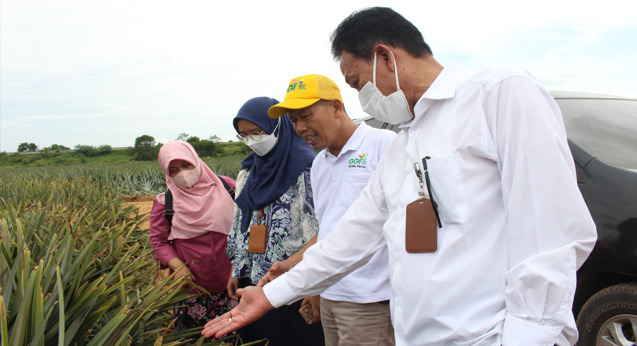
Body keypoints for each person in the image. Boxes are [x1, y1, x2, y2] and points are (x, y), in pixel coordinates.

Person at [203, 7, 597, 345]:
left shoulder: (498, 95)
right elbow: (351, 237)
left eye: (358, 83)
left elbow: (552, 235)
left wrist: (528, 336)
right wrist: (273, 295)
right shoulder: (404, 142)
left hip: (489, 336)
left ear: (385, 58)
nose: (362, 98)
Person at [261, 73, 397, 345]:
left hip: (370, 299)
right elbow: (328, 233)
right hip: (332, 295)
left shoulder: (384, 145)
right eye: (294, 120)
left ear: (336, 107)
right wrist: (297, 271)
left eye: (306, 116)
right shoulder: (320, 163)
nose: (300, 128)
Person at [225, 96, 324, 345]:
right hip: (253, 279)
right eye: (244, 135)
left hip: (292, 282)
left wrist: (315, 287)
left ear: (277, 127)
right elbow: (239, 224)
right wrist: (236, 268)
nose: (251, 140)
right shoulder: (248, 172)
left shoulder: (306, 168)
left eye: (257, 132)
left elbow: (318, 231)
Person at [149, 140, 235, 339]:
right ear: (167, 174)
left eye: (186, 165)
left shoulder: (226, 186)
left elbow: (245, 226)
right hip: (192, 288)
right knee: (196, 338)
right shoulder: (165, 202)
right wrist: (178, 266)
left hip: (232, 280)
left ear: (196, 161)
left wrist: (239, 267)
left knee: (237, 336)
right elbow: (158, 242)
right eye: (174, 170)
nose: (183, 173)